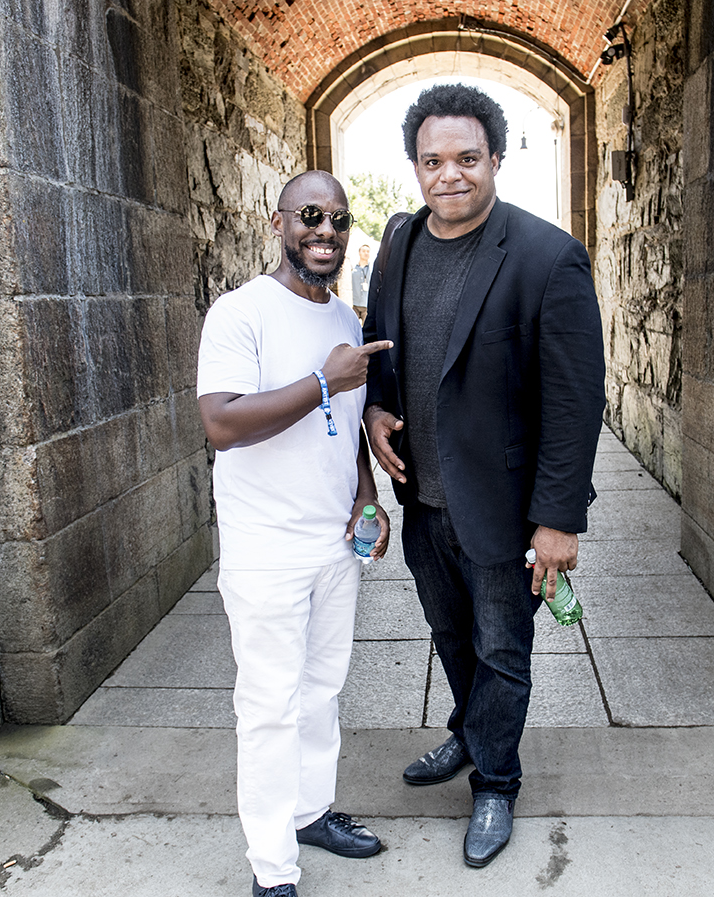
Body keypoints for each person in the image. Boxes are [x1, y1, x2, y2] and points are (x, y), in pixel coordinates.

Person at [363, 84, 605, 869]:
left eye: (467, 158)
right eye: (433, 161)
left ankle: (497, 780)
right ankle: (471, 734)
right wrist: (375, 411)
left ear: (495, 159)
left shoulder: (546, 256)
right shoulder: (397, 243)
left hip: (503, 508)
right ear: (416, 167)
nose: (450, 175)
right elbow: (380, 343)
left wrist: (559, 520)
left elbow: (575, 400)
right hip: (424, 500)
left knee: (504, 650)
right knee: (449, 635)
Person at [198, 170, 393, 897]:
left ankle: (310, 812)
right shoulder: (240, 313)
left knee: (322, 689)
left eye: (339, 220)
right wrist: (321, 382)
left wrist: (367, 500)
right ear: (276, 221)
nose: (326, 232)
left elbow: (343, 432)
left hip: (330, 544)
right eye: (310, 215)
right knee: (271, 705)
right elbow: (221, 422)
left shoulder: (344, 320)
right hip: (266, 550)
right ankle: (272, 869)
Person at [349, 244, 372, 323]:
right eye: (363, 251)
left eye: (368, 251)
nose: (366, 253)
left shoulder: (372, 270)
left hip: (366, 305)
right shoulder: (353, 270)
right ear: (359, 253)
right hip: (354, 304)